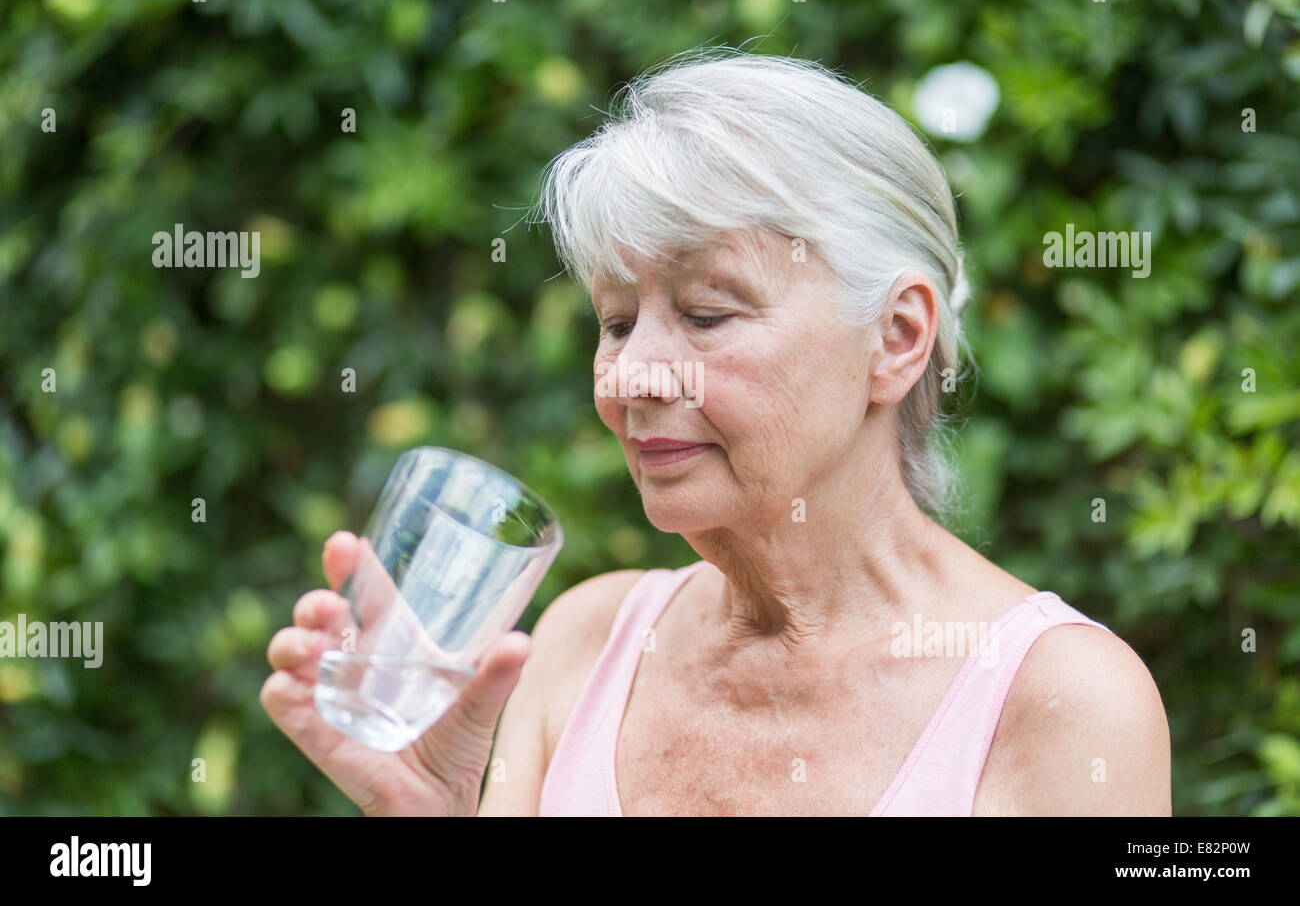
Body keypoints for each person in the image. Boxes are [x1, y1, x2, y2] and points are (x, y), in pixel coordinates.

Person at [261, 48, 1171, 816]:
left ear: (895, 340)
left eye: (705, 313)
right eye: (616, 322)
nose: (629, 376)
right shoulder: (585, 642)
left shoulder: (1063, 703)